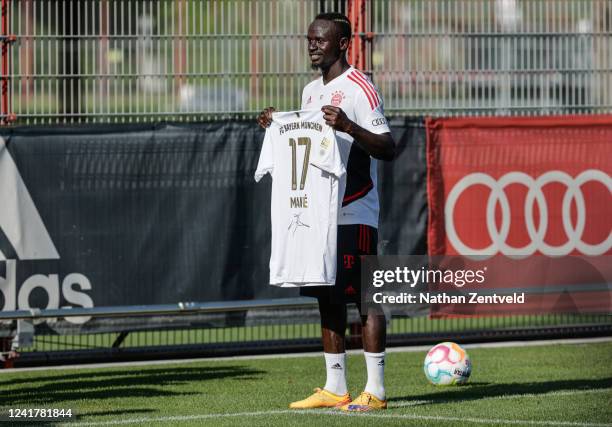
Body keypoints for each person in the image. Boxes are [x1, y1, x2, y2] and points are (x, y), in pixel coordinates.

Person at [257, 12, 395, 412]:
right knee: (327, 297)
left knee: (365, 299)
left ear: (342, 43)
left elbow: (388, 147)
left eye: (320, 40)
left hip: (355, 211)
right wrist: (274, 123)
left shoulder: (360, 89)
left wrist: (351, 127)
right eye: (309, 39)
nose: (312, 45)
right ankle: (336, 387)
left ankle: (377, 391)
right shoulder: (308, 92)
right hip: (319, 216)